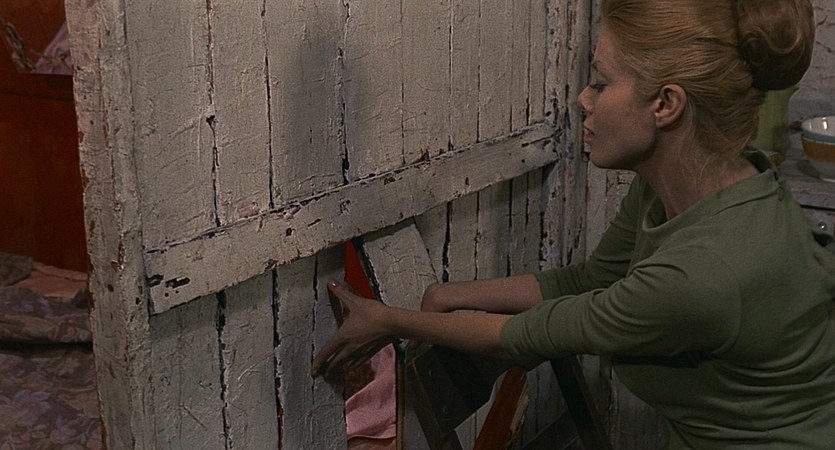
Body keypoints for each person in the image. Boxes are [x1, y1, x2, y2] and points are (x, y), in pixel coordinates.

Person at [312, 0, 835, 447]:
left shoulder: (705, 272)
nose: (584, 100)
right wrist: (448, 294)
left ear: (665, 104)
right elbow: (590, 280)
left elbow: (523, 336)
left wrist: (389, 320)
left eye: (601, 84)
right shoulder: (705, 183)